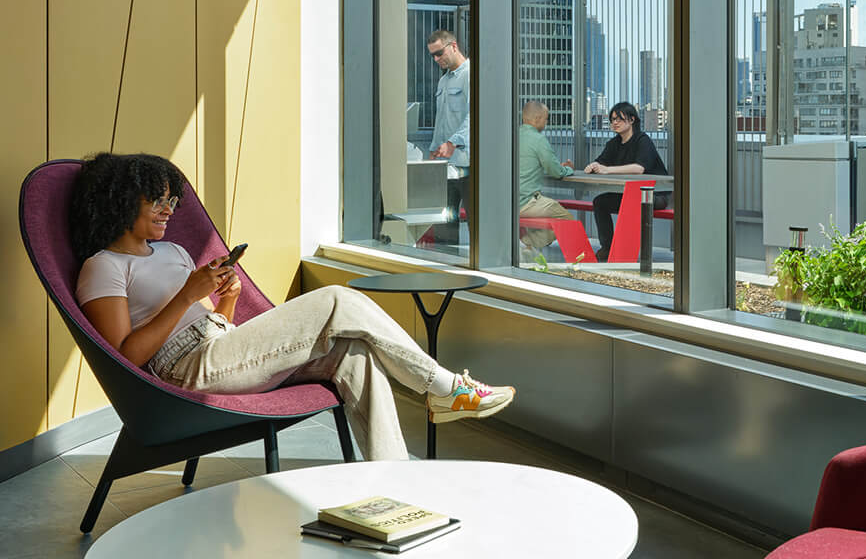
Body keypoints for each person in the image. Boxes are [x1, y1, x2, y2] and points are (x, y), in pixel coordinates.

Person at [72, 152, 514, 462]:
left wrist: (224, 299)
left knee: (353, 356)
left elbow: (213, 325)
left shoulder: (174, 253)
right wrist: (188, 295)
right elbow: (126, 357)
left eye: (173, 200)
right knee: (337, 300)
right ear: (123, 201)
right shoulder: (103, 267)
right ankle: (445, 388)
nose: (169, 210)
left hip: (218, 347)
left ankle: (393, 487)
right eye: (158, 200)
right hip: (181, 370)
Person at [584, 101, 667, 262]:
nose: (615, 123)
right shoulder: (614, 143)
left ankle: (626, 253)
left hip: (657, 195)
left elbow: (639, 168)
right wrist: (593, 166)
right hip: (631, 195)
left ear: (632, 120)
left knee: (632, 202)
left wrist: (607, 170)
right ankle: (608, 248)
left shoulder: (643, 140)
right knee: (600, 202)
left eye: (619, 119)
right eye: (613, 119)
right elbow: (600, 162)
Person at [426, 28, 470, 246]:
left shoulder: (471, 75)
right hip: (446, 163)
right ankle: (446, 266)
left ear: (453, 46)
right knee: (445, 221)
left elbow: (476, 116)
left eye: (439, 53)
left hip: (468, 164)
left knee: (476, 221)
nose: (436, 59)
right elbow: (441, 120)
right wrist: (435, 149)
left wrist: (454, 142)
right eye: (432, 55)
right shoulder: (443, 82)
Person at [518, 100, 575, 260]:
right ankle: (528, 243)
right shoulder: (538, 140)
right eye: (546, 118)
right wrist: (568, 169)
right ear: (537, 119)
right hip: (527, 202)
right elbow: (556, 172)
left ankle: (528, 246)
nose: (546, 122)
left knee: (547, 218)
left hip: (509, 202)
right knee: (568, 221)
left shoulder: (512, 136)